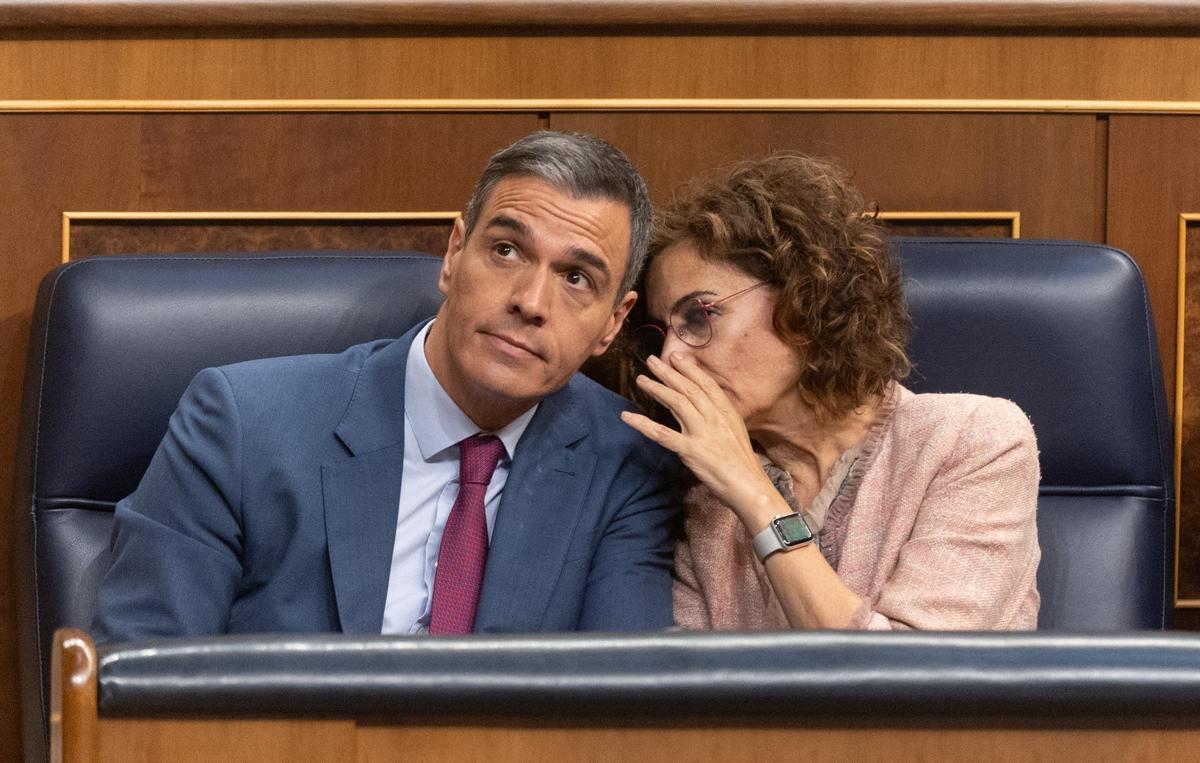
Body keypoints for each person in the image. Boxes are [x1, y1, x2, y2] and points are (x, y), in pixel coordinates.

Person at [93, 131, 678, 642]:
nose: (530, 301)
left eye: (576, 277)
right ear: (453, 255)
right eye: (506, 250)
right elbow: (138, 682)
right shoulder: (242, 424)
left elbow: (619, 712)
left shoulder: (625, 465)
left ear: (613, 322)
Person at [620, 153, 1040, 631]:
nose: (672, 356)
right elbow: (696, 689)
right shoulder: (707, 500)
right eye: (662, 332)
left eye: (699, 314)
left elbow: (919, 684)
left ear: (804, 297)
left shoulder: (973, 440)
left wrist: (755, 496)